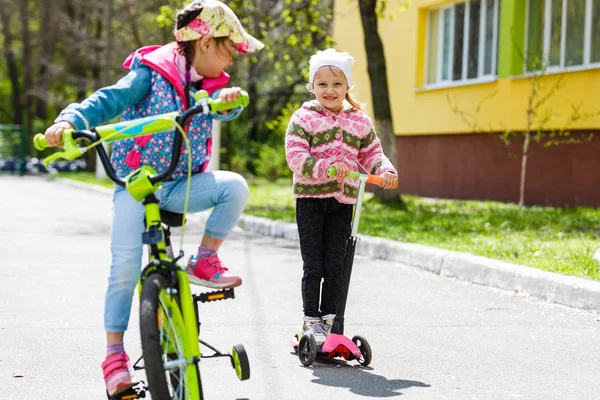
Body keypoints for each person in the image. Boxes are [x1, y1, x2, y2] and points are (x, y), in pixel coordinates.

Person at [43, 0, 263, 395]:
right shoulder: (151, 72)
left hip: (180, 184)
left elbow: (222, 108)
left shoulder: (207, 82)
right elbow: (108, 100)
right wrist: (70, 121)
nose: (234, 57)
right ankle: (114, 356)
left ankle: (205, 258)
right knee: (125, 266)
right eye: (231, 47)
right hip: (137, 182)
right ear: (208, 41)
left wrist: (228, 103)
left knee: (235, 187)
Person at [284, 48, 398, 344]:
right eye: (322, 84)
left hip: (343, 202)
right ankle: (311, 320)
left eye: (337, 84)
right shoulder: (304, 118)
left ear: (347, 87)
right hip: (310, 201)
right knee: (315, 264)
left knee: (337, 264)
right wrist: (325, 167)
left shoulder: (359, 120)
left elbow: (372, 152)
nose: (330, 90)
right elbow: (295, 156)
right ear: (312, 87)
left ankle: (331, 321)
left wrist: (385, 169)